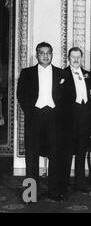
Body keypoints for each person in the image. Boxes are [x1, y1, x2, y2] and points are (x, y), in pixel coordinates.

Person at [17, 42, 65, 202]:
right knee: (31, 156)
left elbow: (66, 97)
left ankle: (54, 191)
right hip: (34, 118)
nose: (45, 56)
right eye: (42, 53)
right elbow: (20, 95)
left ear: (52, 54)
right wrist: (31, 112)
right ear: (37, 55)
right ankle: (30, 193)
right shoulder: (27, 73)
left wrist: (58, 113)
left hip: (55, 119)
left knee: (55, 155)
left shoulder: (61, 73)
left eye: (48, 53)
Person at [60, 47, 91, 194]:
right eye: (73, 57)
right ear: (69, 58)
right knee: (67, 152)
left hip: (85, 118)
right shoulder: (62, 74)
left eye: (78, 57)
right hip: (69, 119)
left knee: (82, 151)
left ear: (82, 58)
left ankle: (80, 183)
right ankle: (64, 183)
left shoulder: (89, 75)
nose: (75, 60)